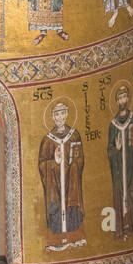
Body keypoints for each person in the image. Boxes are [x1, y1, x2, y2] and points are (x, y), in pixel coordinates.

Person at [38, 102, 85, 248]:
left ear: (67, 114)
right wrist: (54, 162)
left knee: (72, 208)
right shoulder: (47, 140)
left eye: (62, 113)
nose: (60, 117)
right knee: (56, 207)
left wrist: (74, 164)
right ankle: (56, 241)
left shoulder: (74, 135)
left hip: (71, 182)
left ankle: (74, 237)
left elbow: (80, 159)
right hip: (55, 184)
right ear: (52, 116)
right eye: (57, 114)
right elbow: (41, 164)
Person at [108, 86, 133, 239]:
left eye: (125, 97)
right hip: (119, 169)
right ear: (116, 101)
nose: (122, 101)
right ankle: (121, 230)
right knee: (120, 196)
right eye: (120, 98)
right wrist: (116, 149)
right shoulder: (113, 125)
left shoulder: (132, 117)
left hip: (131, 165)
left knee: (132, 194)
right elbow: (109, 149)